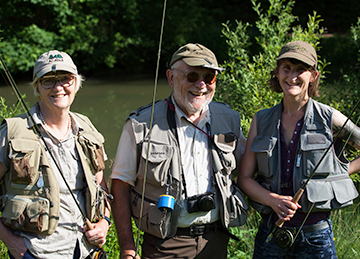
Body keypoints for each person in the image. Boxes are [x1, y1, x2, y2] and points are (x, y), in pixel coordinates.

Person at [237, 40, 360, 258]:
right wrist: (272, 200)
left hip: (316, 236)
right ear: (277, 72)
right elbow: (245, 178)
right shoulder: (261, 120)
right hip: (270, 230)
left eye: (300, 70)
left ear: (313, 76)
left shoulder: (329, 117)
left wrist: (335, 175)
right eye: (286, 68)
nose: (292, 76)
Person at [110, 43, 248, 259]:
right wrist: (127, 248)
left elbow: (248, 171)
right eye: (192, 76)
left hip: (216, 241)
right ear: (171, 78)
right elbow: (119, 186)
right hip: (164, 245)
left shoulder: (230, 119)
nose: (201, 84)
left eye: (209, 77)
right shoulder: (141, 124)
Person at [0, 50, 112, 259]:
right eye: (48, 81)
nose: (58, 87)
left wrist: (104, 224)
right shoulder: (12, 132)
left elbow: (102, 189)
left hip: (85, 251)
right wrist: (11, 242)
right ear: (37, 87)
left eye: (65, 79)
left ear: (76, 84)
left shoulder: (87, 127)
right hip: (35, 253)